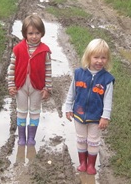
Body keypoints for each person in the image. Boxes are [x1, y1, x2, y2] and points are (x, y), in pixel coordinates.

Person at [63, 38, 115, 175]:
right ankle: (82, 163)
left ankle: (91, 165)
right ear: (88, 57)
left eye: (103, 58)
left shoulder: (107, 79)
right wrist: (68, 107)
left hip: (96, 117)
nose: (99, 61)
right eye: (96, 57)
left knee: (93, 141)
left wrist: (105, 116)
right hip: (79, 114)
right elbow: (71, 92)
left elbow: (108, 100)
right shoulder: (79, 74)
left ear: (107, 59)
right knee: (81, 139)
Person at [7, 14, 52, 146]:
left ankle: (31, 137)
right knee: (21, 110)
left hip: (37, 87)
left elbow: (48, 71)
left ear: (42, 33)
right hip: (20, 86)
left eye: (37, 33)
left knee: (35, 111)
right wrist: (11, 85)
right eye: (30, 33)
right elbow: (12, 68)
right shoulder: (18, 49)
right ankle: (22, 137)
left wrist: (47, 88)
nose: (34, 36)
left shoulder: (45, 51)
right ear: (25, 33)